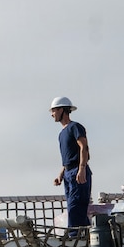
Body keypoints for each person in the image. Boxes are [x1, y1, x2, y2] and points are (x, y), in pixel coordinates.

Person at [50, 96, 91, 229]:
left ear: (62, 110)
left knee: (75, 206)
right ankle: (84, 235)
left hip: (77, 171)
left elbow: (83, 147)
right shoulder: (61, 134)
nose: (52, 114)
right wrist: (61, 174)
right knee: (73, 207)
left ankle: (74, 237)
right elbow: (68, 157)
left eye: (54, 111)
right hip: (68, 172)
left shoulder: (75, 127)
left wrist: (82, 168)